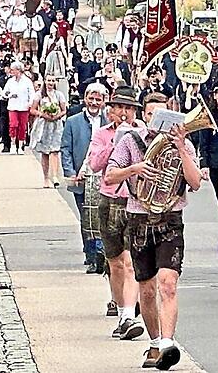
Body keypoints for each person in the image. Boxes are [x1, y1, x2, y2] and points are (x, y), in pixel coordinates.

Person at [105, 92, 203, 369]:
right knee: (147, 290)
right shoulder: (130, 141)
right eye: (151, 114)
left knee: (168, 285)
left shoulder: (182, 145)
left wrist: (182, 148)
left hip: (171, 219)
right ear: (144, 116)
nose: (157, 120)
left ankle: (168, 343)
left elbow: (195, 183)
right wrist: (135, 169)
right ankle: (155, 341)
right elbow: (110, 176)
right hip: (139, 220)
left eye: (163, 114)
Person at [87, 86, 145, 338]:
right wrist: (116, 143)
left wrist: (131, 139)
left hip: (134, 201)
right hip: (109, 201)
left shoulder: (143, 133)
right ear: (111, 110)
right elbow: (95, 164)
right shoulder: (101, 134)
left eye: (128, 108)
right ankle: (121, 307)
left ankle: (128, 316)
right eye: (119, 107)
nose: (123, 112)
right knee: (115, 262)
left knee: (131, 261)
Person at [61, 83, 109, 273]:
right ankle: (91, 256)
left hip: (103, 179)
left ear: (104, 101)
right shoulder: (73, 121)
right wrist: (70, 172)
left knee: (103, 217)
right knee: (86, 217)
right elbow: (65, 148)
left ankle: (101, 254)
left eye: (98, 99)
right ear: (85, 99)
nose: (94, 102)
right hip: (81, 179)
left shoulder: (108, 121)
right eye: (91, 98)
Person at [29, 74, 68, 188]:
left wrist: (57, 116)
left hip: (56, 125)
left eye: (52, 80)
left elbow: (64, 110)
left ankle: (55, 176)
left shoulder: (59, 95)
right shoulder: (39, 95)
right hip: (44, 125)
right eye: (48, 80)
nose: (50, 83)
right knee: (45, 153)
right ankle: (46, 178)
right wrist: (42, 114)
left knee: (55, 151)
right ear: (45, 82)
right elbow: (32, 110)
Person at [3, 61, 35, 154]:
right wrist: (9, 95)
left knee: (22, 126)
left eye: (13, 70)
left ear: (18, 70)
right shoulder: (10, 81)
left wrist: (30, 103)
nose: (11, 71)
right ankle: (13, 144)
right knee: (13, 124)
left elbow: (31, 93)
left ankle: (20, 145)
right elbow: (5, 92)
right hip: (13, 105)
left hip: (24, 106)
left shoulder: (27, 81)